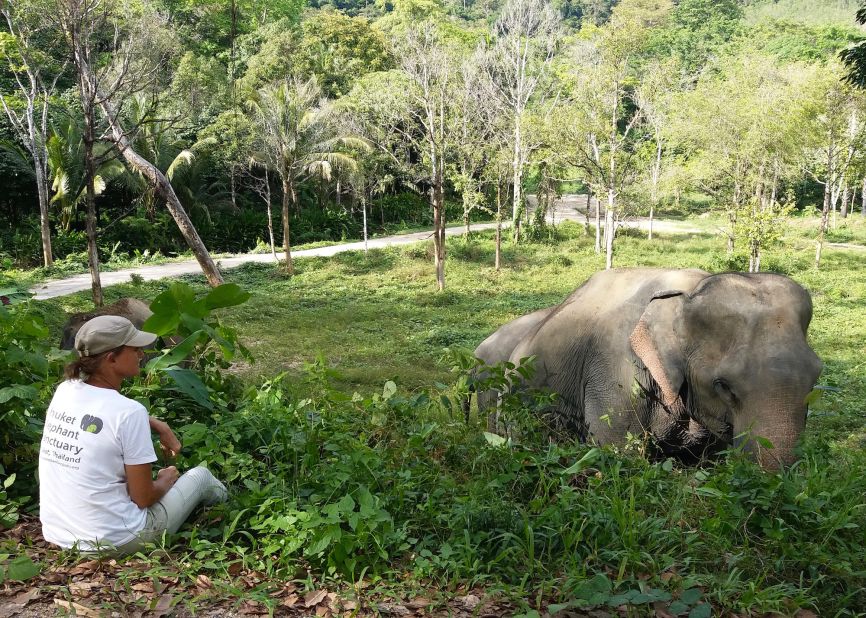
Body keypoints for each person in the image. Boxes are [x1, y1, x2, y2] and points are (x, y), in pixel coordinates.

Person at [39, 314, 227, 555]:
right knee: (201, 476)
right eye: (134, 349)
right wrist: (166, 479)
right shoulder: (129, 413)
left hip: (60, 534)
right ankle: (233, 510)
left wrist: (156, 424)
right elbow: (143, 498)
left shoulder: (65, 390)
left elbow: (103, 416)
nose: (141, 354)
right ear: (111, 358)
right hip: (117, 541)